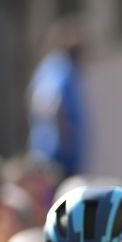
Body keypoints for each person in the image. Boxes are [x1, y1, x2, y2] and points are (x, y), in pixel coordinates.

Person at [28, 17, 89, 179]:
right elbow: (49, 101)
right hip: (57, 158)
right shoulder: (61, 67)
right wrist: (65, 137)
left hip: (56, 155)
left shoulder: (51, 66)